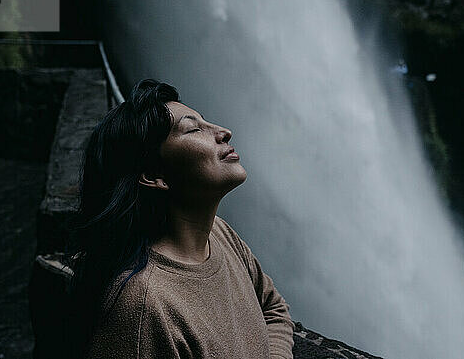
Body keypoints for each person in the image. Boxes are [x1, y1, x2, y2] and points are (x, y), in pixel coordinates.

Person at [67, 79, 294, 358]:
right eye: (194, 128)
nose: (224, 132)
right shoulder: (144, 308)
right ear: (154, 176)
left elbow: (273, 308)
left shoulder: (219, 234)